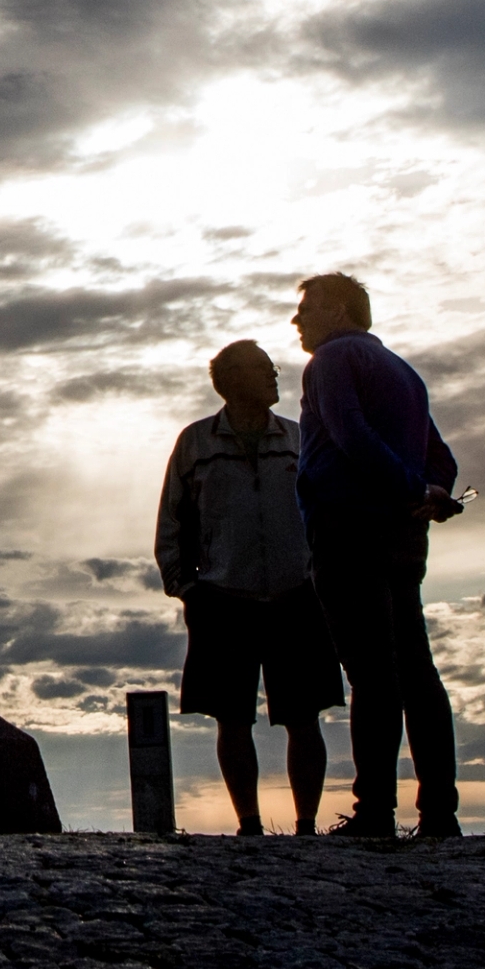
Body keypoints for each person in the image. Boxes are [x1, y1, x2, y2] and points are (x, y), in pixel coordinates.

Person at [289, 272, 462, 838]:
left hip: (349, 531)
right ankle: (439, 813)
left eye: (307, 307)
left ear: (341, 310)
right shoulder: (403, 372)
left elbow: (349, 433)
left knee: (372, 674)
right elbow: (442, 455)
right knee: (416, 670)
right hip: (403, 537)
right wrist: (431, 493)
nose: (298, 319)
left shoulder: (330, 363)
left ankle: (375, 813)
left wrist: (415, 491)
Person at [154, 340, 339, 833]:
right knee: (231, 718)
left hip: (297, 596)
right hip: (221, 599)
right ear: (231, 380)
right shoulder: (195, 443)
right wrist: (185, 587)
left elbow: (327, 513)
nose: (274, 376)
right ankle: (249, 823)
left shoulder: (300, 439)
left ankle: (306, 825)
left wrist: (323, 577)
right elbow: (172, 520)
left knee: (304, 717)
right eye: (263, 369)